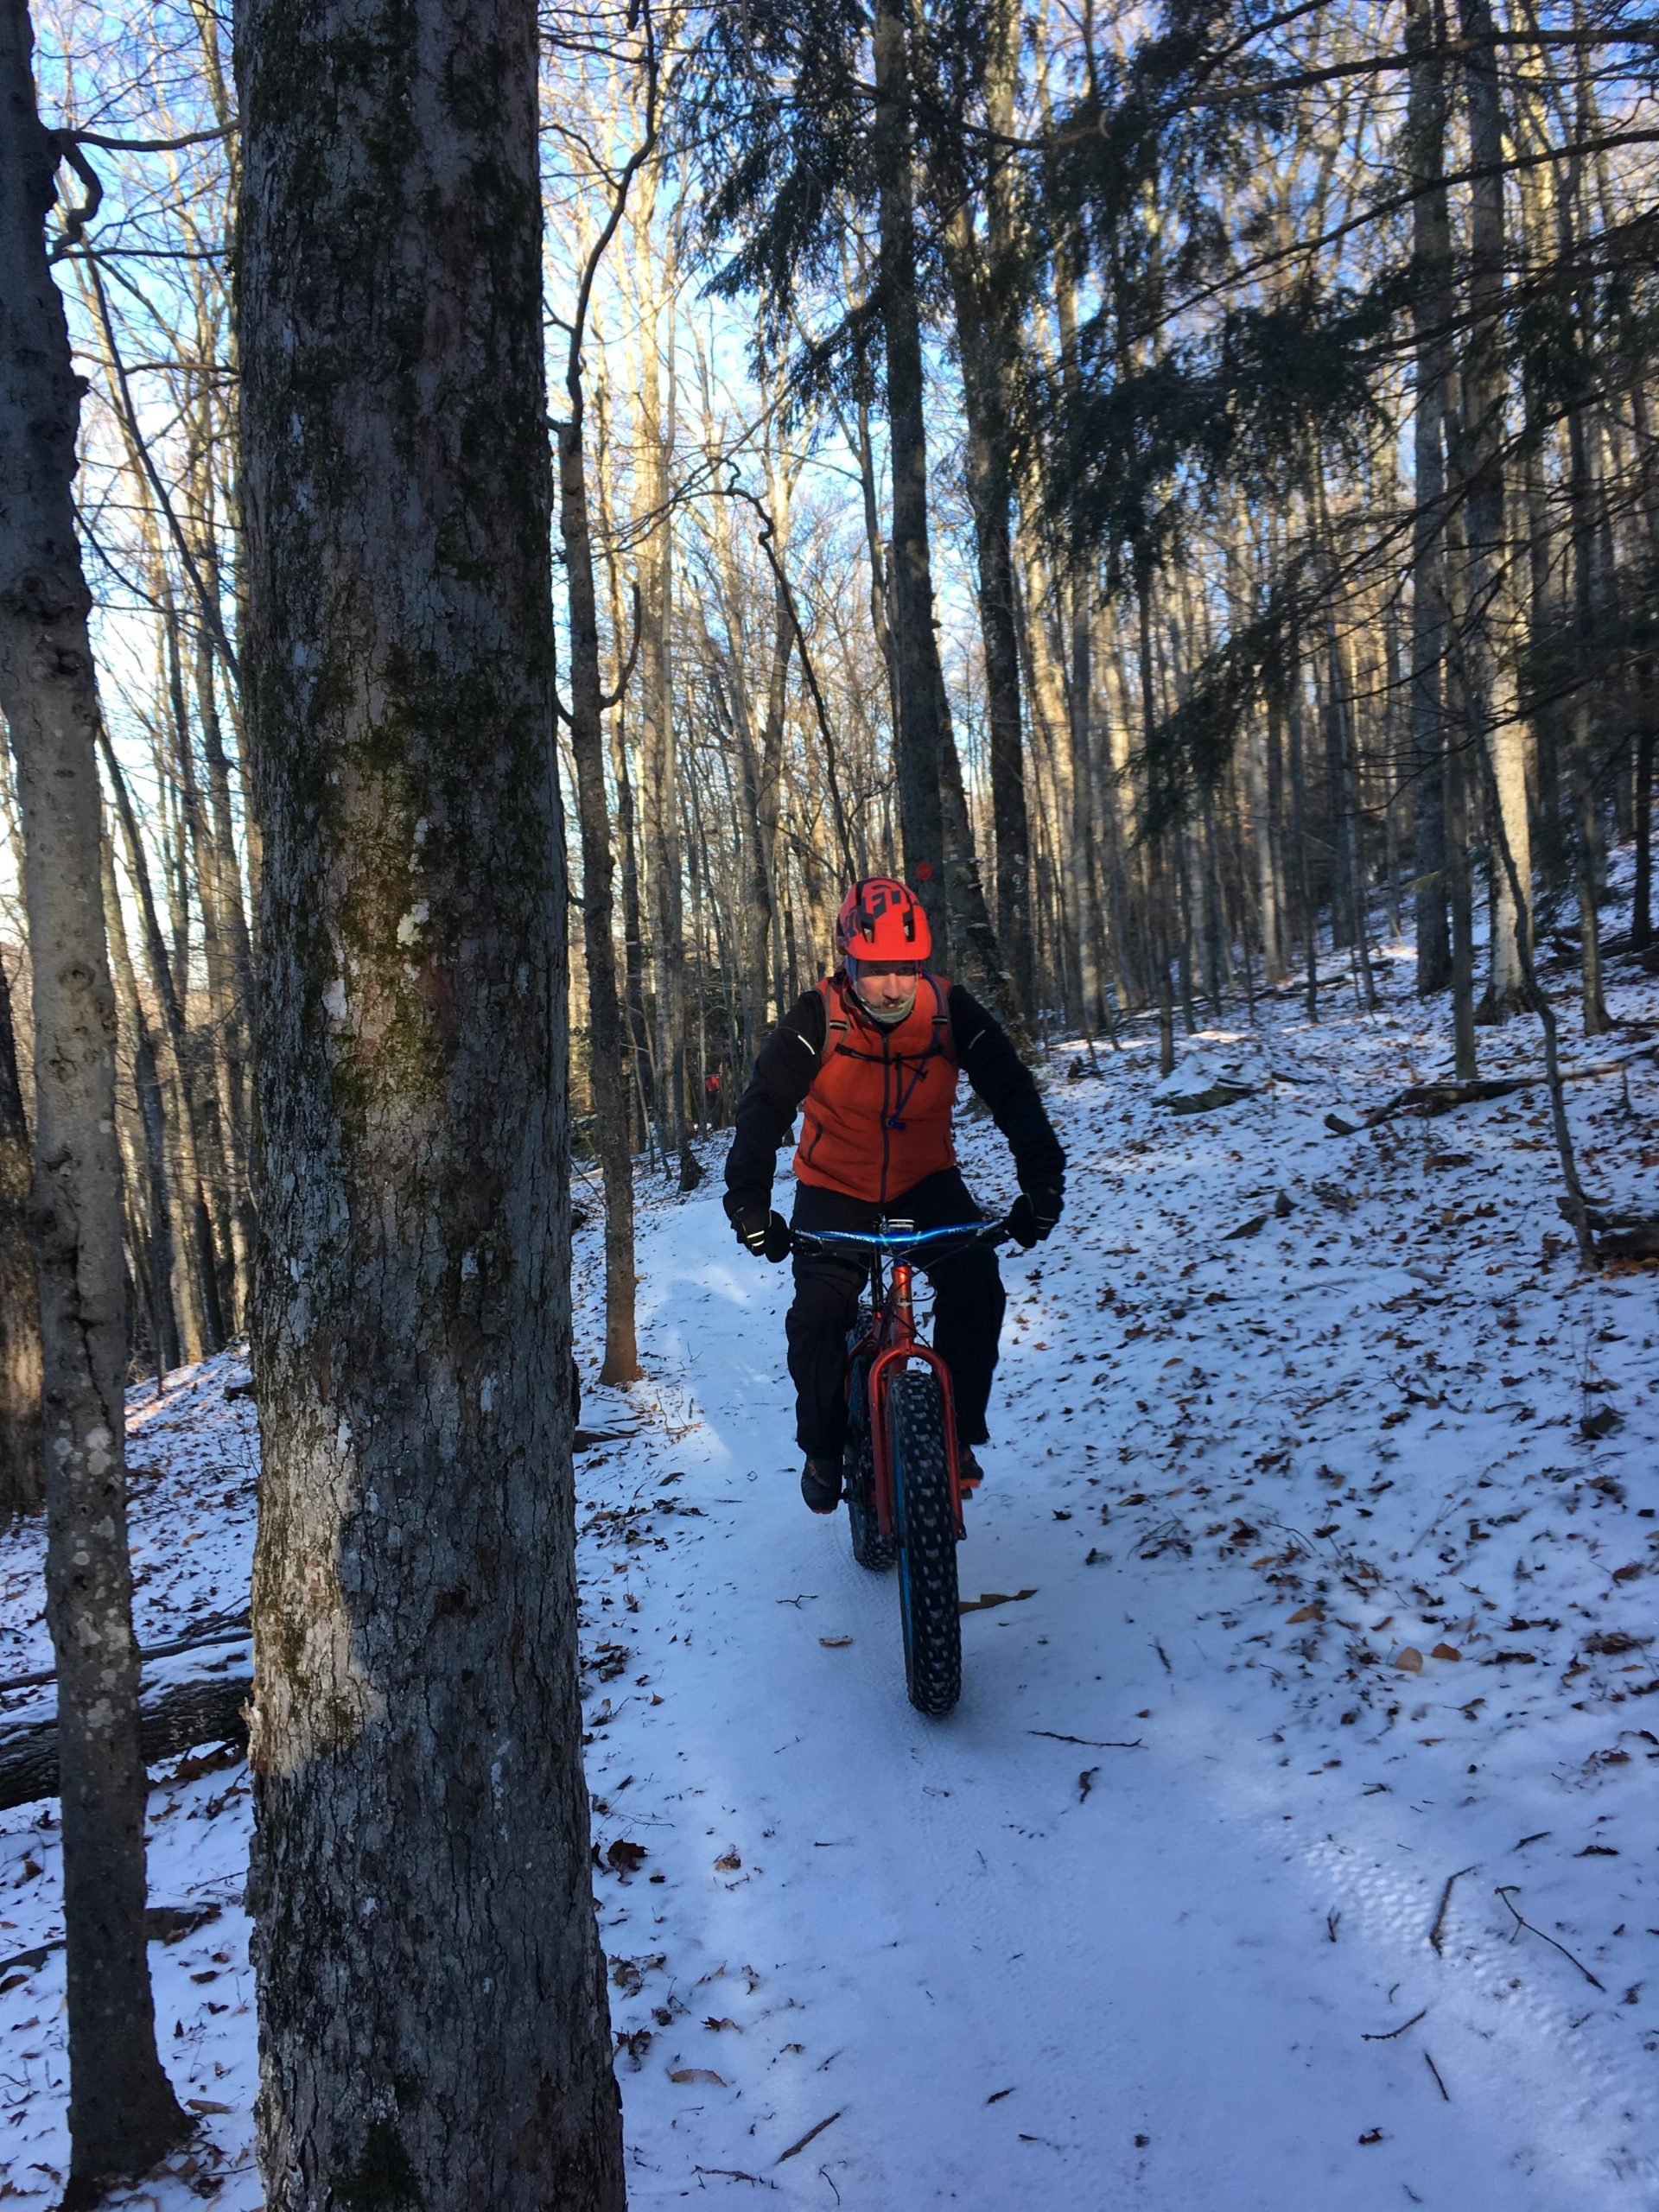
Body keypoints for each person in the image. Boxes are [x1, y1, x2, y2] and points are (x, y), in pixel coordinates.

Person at [722, 875, 1065, 1515]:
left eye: (905, 968)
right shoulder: (816, 1016)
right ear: (846, 963)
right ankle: (824, 1450)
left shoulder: (948, 1010)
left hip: (924, 1178)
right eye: (874, 969)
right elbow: (766, 1105)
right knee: (820, 1314)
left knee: (977, 1284)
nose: (892, 986)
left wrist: (1042, 1183)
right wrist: (748, 1202)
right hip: (835, 1184)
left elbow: (1012, 1091)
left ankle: (957, 1432)